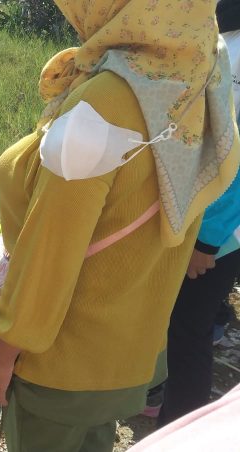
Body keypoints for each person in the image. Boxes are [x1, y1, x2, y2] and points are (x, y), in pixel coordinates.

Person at [0, 0, 240, 450]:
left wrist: (2, 349)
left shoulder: (104, 104)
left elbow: (52, 250)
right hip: (129, 350)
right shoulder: (197, 71)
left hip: (62, 359)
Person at [155, 0, 240, 425]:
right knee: (176, 320)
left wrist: (207, 241)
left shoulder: (230, 57)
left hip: (215, 233)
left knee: (188, 330)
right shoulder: (223, 46)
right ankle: (158, 398)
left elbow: (232, 159)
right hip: (209, 226)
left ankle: (178, 427)